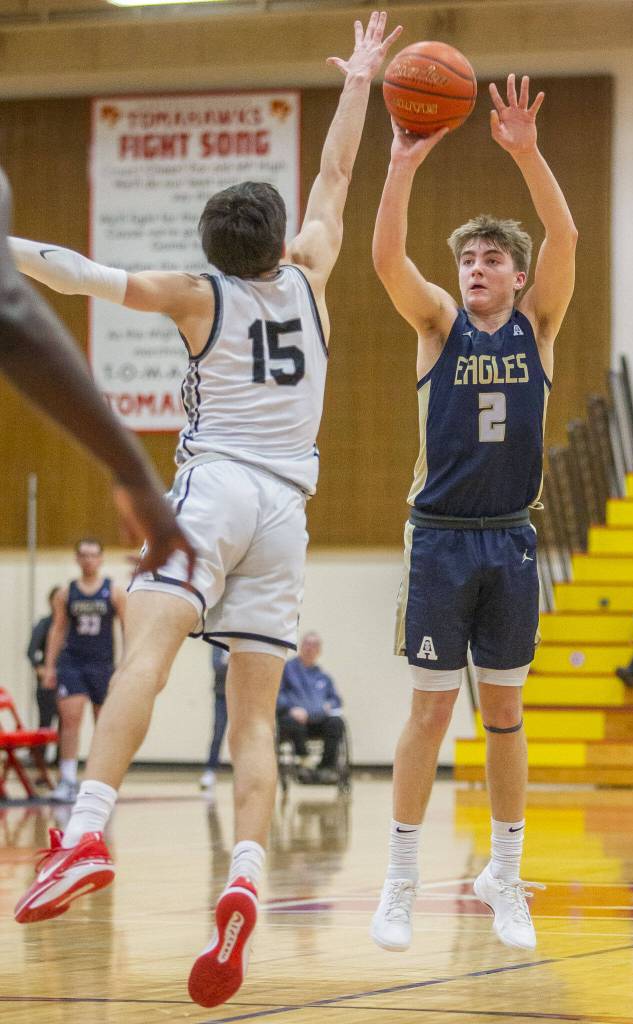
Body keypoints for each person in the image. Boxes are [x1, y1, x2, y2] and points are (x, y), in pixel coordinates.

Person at [13, 12, 402, 1010]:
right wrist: (358, 80)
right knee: (256, 715)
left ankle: (84, 831)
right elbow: (333, 180)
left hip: (215, 488)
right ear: (276, 241)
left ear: (214, 249)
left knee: (146, 654)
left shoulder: (200, 296)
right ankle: (241, 872)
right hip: (290, 510)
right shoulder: (312, 279)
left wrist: (4, 245)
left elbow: (81, 273)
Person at [370, 74, 577, 953]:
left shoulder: (538, 328)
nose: (476, 269)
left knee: (504, 717)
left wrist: (526, 153)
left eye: (492, 259)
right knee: (426, 716)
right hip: (440, 543)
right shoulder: (436, 327)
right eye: (467, 260)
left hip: (511, 542)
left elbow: (565, 232)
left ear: (518, 275)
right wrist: (400, 163)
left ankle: (505, 873)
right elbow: (386, 260)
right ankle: (401, 878)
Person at [0, 171, 195, 577]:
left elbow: (75, 278)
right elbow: (13, 317)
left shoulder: (193, 289)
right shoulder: (302, 282)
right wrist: (133, 472)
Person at [43, 539, 126, 803]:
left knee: (104, 725)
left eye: (93, 555)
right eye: (84, 555)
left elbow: (127, 627)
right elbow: (57, 629)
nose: (88, 559)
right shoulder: (66, 593)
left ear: (101, 559)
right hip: (72, 663)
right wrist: (49, 666)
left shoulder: (113, 591)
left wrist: (127, 664)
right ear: (77, 559)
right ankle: (67, 779)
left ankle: (101, 782)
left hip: (102, 665)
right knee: (70, 719)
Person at [277, 631, 344, 783]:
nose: (310, 648)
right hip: (295, 721)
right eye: (307, 644)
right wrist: (290, 709)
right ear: (301, 646)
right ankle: (304, 766)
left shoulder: (323, 676)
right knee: (293, 723)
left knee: (336, 722)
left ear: (319, 650)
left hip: (318, 719)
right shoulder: (287, 669)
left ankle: (326, 768)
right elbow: (277, 694)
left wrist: (329, 705)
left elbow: (336, 700)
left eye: (315, 645)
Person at [26, 586, 63, 773]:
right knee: (45, 723)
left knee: (66, 725)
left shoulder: (70, 625)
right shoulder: (44, 624)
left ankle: (62, 765)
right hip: (47, 684)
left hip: (66, 680)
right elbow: (31, 652)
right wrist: (41, 670)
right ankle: (40, 766)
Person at [199, 645, 229, 789]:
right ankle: (210, 770)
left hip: (242, 695)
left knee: (244, 735)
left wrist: (228, 662)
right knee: (218, 732)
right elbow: (217, 666)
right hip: (221, 696)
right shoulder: (218, 643)